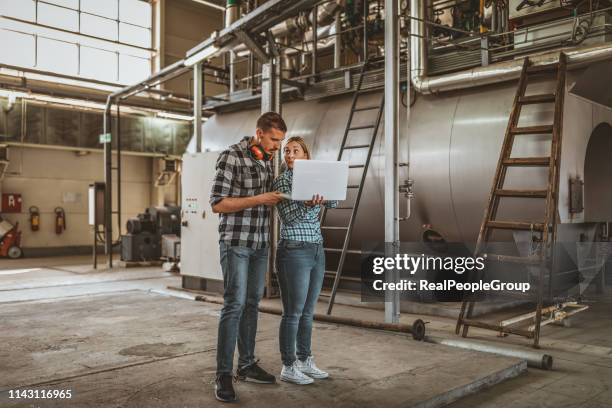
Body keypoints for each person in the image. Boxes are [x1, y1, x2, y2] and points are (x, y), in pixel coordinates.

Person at [209, 112, 286, 402]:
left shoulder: (268, 160)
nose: (277, 146)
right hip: (236, 243)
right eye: (274, 140)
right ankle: (223, 374)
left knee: (253, 303)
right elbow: (218, 203)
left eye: (280, 141)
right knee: (234, 305)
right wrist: (260, 198)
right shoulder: (231, 157)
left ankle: (247, 364)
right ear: (259, 133)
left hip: (260, 244)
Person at [272, 136, 337, 385]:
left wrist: (322, 194)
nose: (289, 155)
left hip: (316, 249)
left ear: (306, 156)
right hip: (294, 249)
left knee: (308, 312)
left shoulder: (316, 176)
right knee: (293, 313)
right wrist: (309, 204)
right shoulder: (282, 181)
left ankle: (304, 359)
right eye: (286, 151)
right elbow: (289, 218)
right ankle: (288, 366)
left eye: (295, 150)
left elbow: (334, 200)